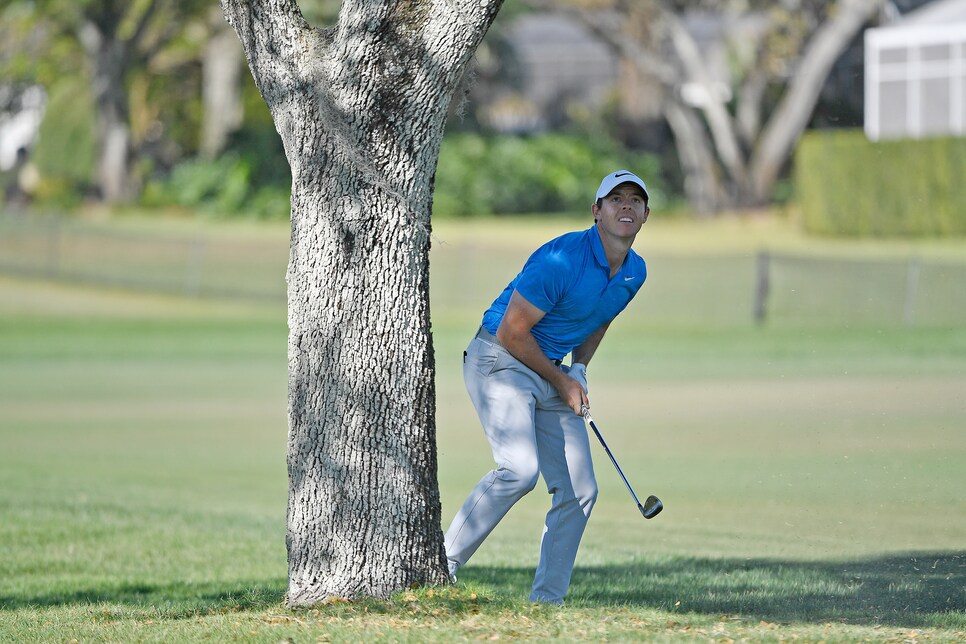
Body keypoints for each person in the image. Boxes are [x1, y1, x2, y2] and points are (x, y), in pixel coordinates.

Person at [444, 169, 651, 605]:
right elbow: (511, 332)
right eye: (615, 199)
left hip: (549, 368)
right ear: (597, 211)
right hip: (498, 359)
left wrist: (579, 370)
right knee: (518, 470)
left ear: (646, 215)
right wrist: (562, 380)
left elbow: (600, 317)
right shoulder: (561, 258)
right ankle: (441, 565)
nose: (626, 205)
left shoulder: (635, 271)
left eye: (635, 199)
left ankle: (547, 604)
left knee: (580, 490)